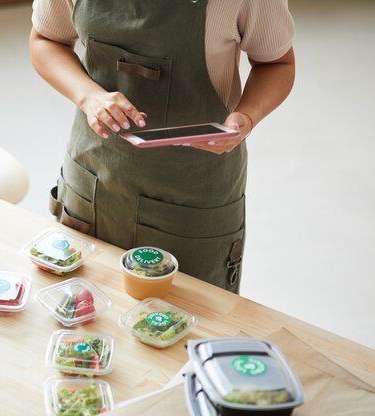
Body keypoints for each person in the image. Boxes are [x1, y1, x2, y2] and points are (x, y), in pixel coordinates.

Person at [29, 0, 295, 292]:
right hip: (92, 179)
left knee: (187, 321)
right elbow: (46, 39)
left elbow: (276, 63)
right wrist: (88, 96)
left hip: (193, 197)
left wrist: (247, 115)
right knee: (79, 311)